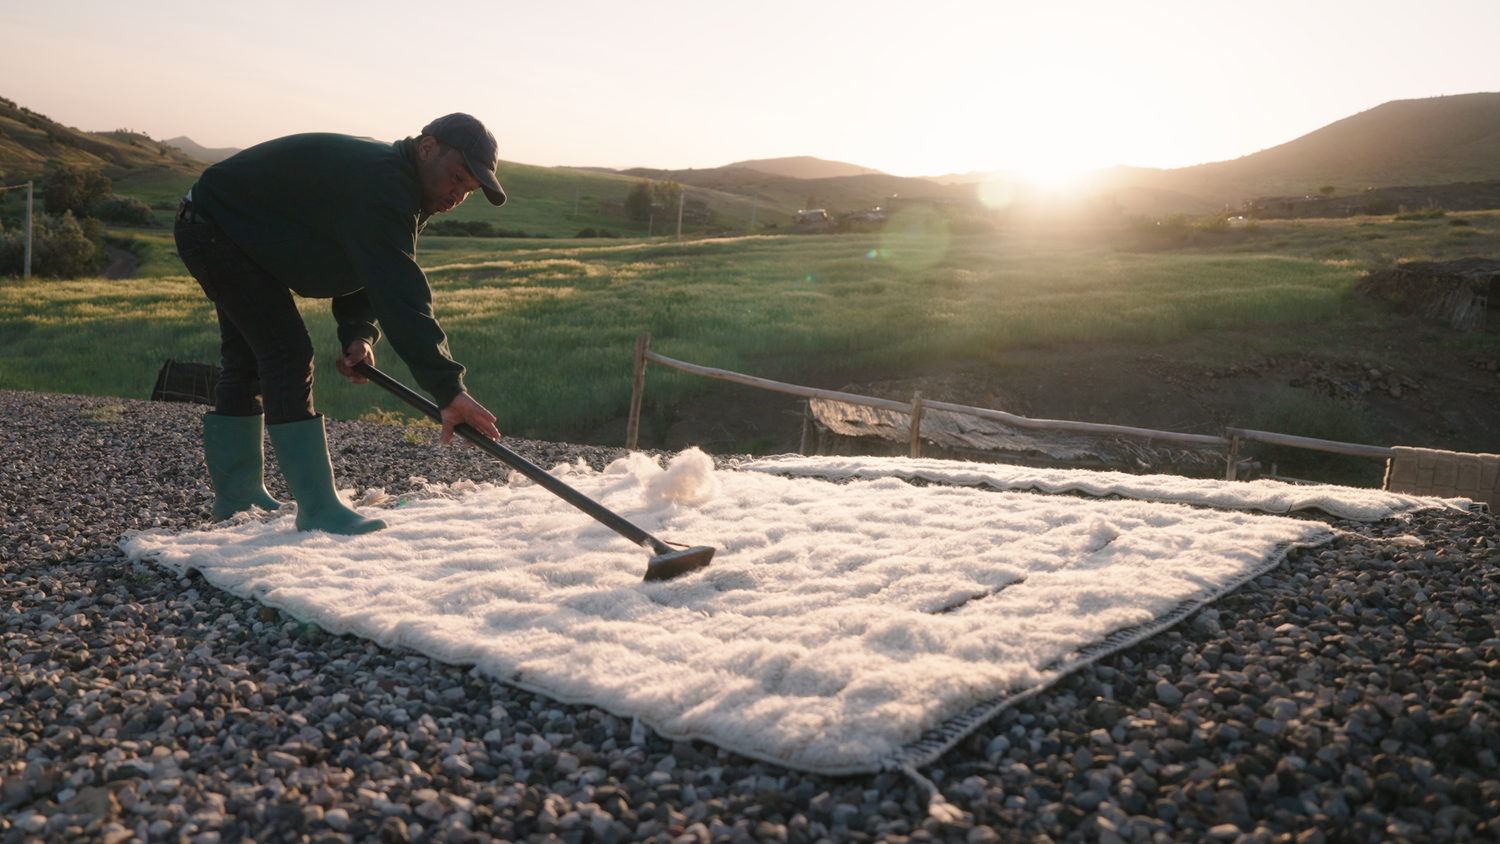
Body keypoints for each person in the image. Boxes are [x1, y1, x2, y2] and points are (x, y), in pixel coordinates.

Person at [174, 113, 505, 535]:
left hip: (230, 230)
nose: (457, 195)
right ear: (427, 148)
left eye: (468, 190)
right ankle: (316, 510)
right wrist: (448, 389)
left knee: (249, 356)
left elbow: (366, 266)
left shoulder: (404, 188)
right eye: (457, 177)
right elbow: (401, 295)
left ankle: (237, 497)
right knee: (285, 352)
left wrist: (358, 334)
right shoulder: (383, 184)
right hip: (214, 226)